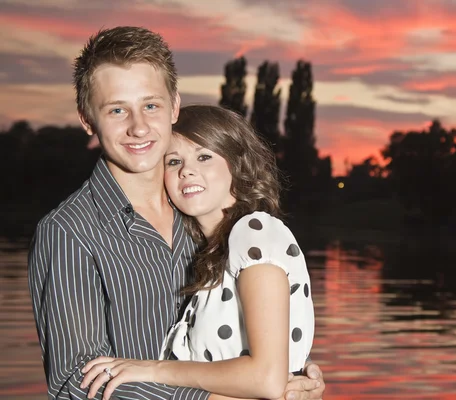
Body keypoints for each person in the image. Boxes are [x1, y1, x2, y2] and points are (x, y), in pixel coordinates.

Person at [28, 26, 325, 400]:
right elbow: (76, 381)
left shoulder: (203, 215)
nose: (138, 127)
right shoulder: (68, 231)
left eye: (150, 105)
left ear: (174, 106)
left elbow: (243, 337)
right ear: (88, 120)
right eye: (117, 110)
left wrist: (295, 377)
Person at [80, 104, 315, 400]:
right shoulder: (212, 253)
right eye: (173, 161)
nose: (187, 170)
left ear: (236, 164)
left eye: (204, 156)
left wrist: (153, 370)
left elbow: (267, 378)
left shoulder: (253, 230)